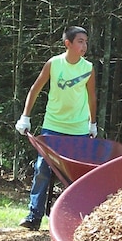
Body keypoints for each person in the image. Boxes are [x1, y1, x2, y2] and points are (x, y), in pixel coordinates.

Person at [15, 26, 98, 230]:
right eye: (80, 41)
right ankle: (34, 216)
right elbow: (35, 89)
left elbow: (91, 96)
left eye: (86, 42)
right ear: (67, 43)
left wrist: (92, 123)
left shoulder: (88, 68)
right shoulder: (54, 64)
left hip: (78, 130)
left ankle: (73, 219)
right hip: (53, 127)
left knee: (74, 176)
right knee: (42, 169)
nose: (84, 46)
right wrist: (25, 117)